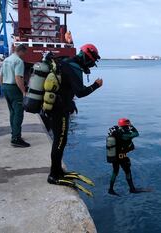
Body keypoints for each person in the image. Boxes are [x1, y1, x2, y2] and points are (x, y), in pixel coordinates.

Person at [46, 44, 103, 191]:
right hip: (59, 109)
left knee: (60, 140)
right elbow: (80, 92)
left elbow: (66, 88)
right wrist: (96, 85)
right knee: (60, 140)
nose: (90, 64)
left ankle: (58, 170)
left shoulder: (65, 61)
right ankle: (54, 175)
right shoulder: (74, 68)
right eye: (91, 61)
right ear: (85, 57)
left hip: (55, 107)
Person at [0, 44, 30, 147]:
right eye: (25, 53)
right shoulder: (19, 61)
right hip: (14, 88)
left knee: (12, 112)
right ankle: (16, 138)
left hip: (6, 87)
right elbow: (18, 78)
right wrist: (23, 92)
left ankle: (14, 133)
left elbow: (0, 76)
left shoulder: (6, 60)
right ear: (21, 51)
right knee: (18, 114)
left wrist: (3, 87)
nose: (25, 55)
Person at [107, 118, 144, 196]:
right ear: (126, 125)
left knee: (115, 172)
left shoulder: (115, 132)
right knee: (128, 172)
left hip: (114, 156)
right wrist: (131, 126)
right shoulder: (125, 135)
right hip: (122, 157)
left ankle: (110, 189)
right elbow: (136, 134)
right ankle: (132, 189)